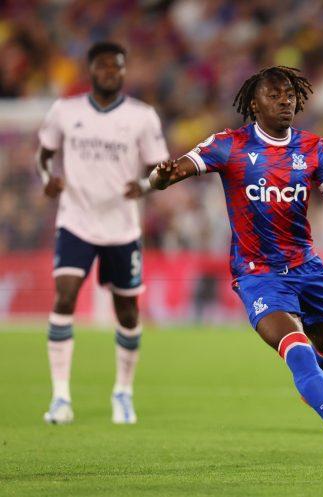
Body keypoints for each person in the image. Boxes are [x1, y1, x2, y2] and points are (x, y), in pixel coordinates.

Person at [149, 66, 323, 471]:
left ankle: (317, 389)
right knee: (298, 352)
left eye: (290, 94)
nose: (285, 100)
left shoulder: (313, 147)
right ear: (254, 104)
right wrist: (162, 177)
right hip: (257, 274)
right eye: (275, 95)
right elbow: (174, 170)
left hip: (308, 268)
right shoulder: (229, 145)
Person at [37, 41, 169, 425]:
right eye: (104, 66)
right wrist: (48, 179)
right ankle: (60, 397)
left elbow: (162, 170)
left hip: (122, 226)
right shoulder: (65, 110)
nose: (110, 72)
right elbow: (44, 154)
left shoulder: (142, 117)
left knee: (126, 310)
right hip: (75, 221)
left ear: (125, 72)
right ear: (91, 69)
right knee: (64, 297)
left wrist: (144, 186)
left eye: (117, 67)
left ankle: (123, 392)